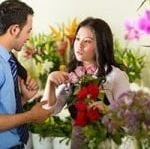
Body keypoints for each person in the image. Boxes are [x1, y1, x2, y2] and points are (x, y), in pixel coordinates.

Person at [42, 17, 130, 149]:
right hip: (77, 143)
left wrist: (106, 109)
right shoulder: (71, 75)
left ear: (101, 45)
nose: (79, 45)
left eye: (87, 41)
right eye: (77, 39)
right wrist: (50, 83)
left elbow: (128, 121)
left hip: (105, 144)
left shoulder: (116, 76)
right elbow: (50, 110)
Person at [0, 0, 52, 148]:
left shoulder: (9, 60)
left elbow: (3, 109)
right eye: (28, 31)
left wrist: (23, 99)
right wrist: (30, 116)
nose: (28, 37)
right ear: (15, 29)